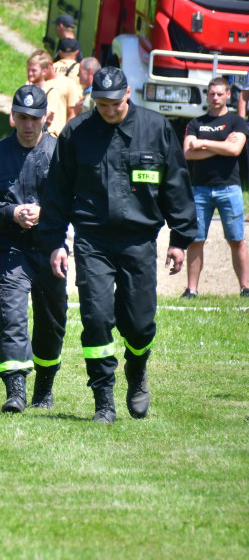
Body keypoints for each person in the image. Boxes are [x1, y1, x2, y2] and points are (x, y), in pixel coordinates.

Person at [40, 66, 197, 423]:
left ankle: (137, 371)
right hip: (92, 240)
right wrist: (54, 241)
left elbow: (175, 183)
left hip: (138, 239)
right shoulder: (77, 132)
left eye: (114, 103)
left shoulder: (155, 129)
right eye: (101, 104)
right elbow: (57, 192)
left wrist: (180, 238)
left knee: (139, 324)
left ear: (128, 94)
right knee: (96, 318)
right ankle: (103, 398)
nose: (108, 110)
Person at [0, 85, 68, 412]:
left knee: (52, 321)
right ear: (12, 117)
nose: (28, 125)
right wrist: (10, 213)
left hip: (51, 248)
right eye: (22, 118)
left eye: (34, 119)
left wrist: (47, 213)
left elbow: (77, 198)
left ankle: (44, 387)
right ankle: (15, 391)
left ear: (45, 119)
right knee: (12, 316)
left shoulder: (60, 153)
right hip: (11, 249)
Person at [182, 77, 249, 298]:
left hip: (229, 189)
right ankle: (192, 290)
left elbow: (235, 150)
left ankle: (245, 288)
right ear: (207, 95)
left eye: (220, 94)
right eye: (212, 94)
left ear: (228, 95)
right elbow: (188, 153)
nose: (215, 98)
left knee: (236, 240)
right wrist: (221, 146)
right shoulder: (196, 123)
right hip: (199, 190)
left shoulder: (236, 122)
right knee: (196, 240)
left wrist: (203, 143)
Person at [26, 50, 71, 136]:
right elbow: (13, 121)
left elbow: (42, 117)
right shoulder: (25, 90)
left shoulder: (52, 91)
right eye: (28, 70)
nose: (30, 74)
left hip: (50, 137)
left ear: (44, 71)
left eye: (34, 71)